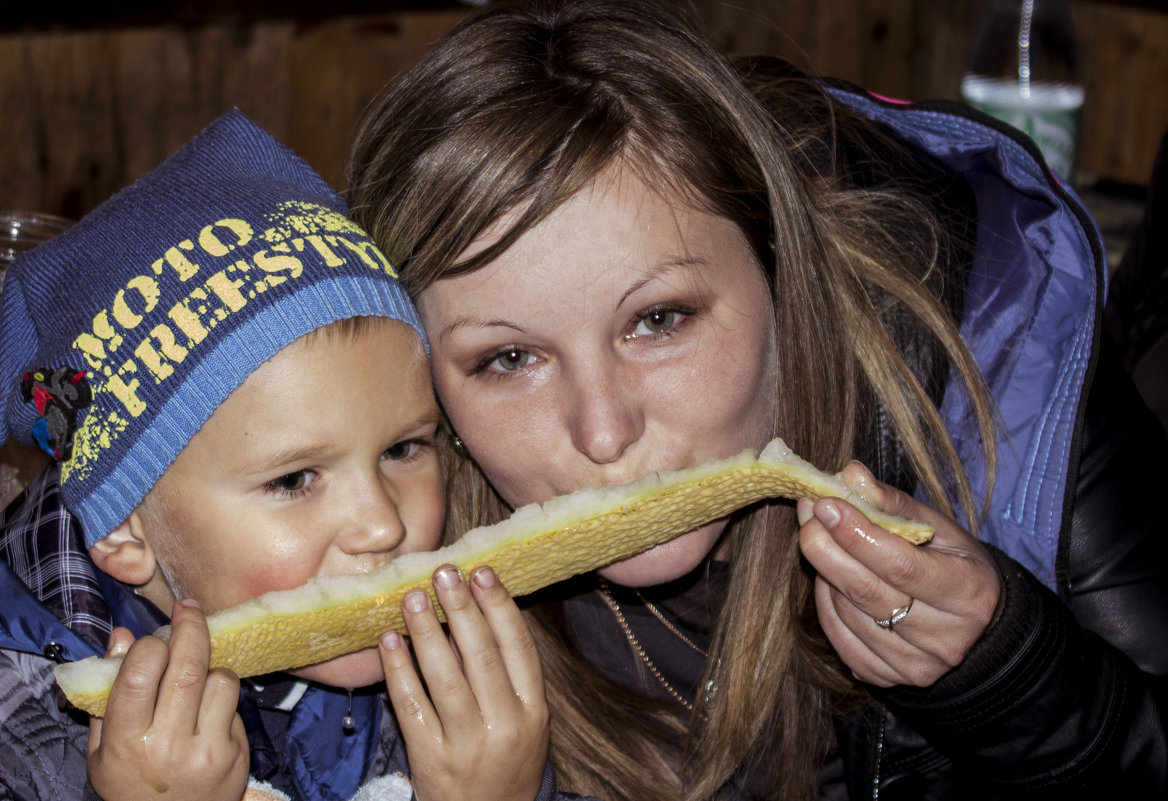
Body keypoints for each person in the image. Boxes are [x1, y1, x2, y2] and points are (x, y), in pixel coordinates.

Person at [345, 0, 1168, 797]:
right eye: (509, 358)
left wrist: (1020, 680)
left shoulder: (996, 361)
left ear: (779, 271)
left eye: (659, 320)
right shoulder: (362, 534)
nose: (603, 432)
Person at [0, 111, 548, 801]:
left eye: (404, 447)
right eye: (294, 478)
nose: (382, 524)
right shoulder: (27, 713)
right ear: (122, 532)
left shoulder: (448, 660)